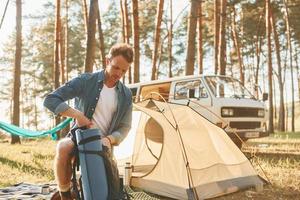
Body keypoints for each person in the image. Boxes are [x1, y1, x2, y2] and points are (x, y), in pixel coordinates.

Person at [44, 43, 133, 200]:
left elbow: (125, 127)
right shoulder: (86, 80)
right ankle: (65, 194)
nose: (119, 73)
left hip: (104, 144)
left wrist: (109, 139)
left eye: (124, 70)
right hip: (79, 138)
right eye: (116, 67)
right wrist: (76, 114)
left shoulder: (126, 94)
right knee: (63, 147)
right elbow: (50, 99)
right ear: (107, 61)